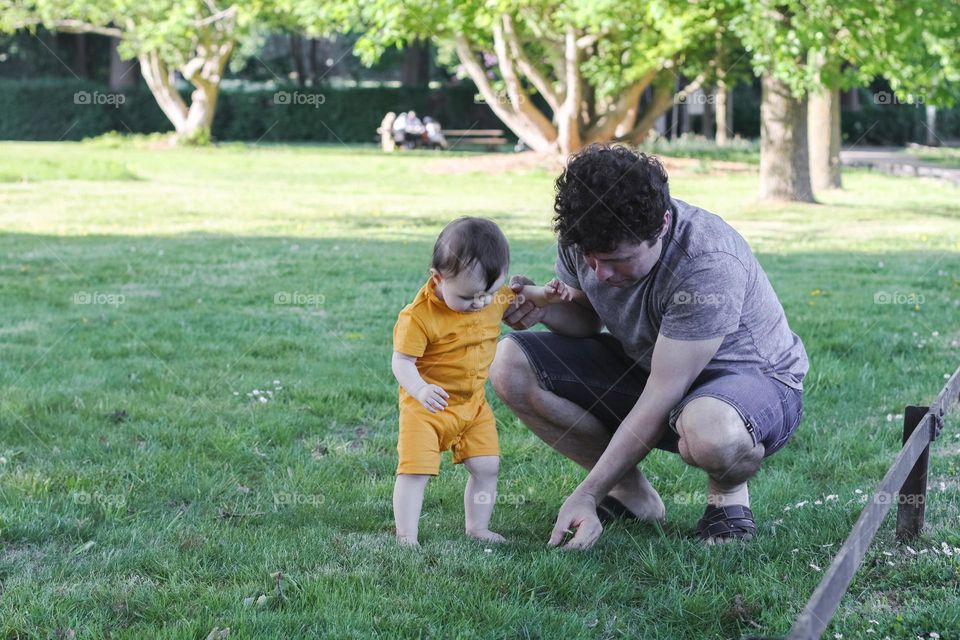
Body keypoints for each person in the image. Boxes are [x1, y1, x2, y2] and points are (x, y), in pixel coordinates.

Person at [490, 144, 809, 549]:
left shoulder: (705, 260)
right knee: (510, 364)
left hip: (753, 381)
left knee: (710, 431)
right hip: (647, 366)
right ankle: (631, 493)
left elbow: (663, 394)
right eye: (590, 259)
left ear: (661, 224)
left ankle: (727, 498)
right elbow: (588, 318)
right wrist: (545, 313)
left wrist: (585, 493)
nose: (601, 273)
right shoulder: (584, 233)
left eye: (617, 260)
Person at [392, 217, 572, 546]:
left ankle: (477, 527)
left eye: (487, 294)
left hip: (473, 405)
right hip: (426, 406)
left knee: (487, 467)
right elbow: (401, 362)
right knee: (415, 471)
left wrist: (546, 295)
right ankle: (406, 537)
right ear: (438, 278)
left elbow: (518, 296)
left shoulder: (490, 297)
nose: (480, 304)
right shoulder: (418, 317)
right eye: (469, 297)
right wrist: (419, 389)